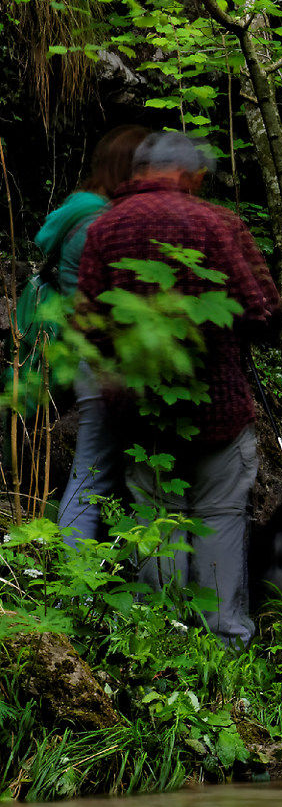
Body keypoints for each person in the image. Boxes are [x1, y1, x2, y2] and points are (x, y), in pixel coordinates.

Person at [74, 131, 282, 647]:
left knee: (157, 522)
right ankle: (226, 645)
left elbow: (89, 325)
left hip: (140, 411)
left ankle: (163, 644)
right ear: (191, 175)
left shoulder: (103, 230)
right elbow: (263, 310)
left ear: (139, 172)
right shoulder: (220, 224)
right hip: (221, 407)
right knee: (222, 520)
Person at [13, 124, 147, 539]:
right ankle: (81, 574)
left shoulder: (81, 207)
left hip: (79, 340)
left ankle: (80, 577)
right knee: (98, 473)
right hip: (98, 348)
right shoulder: (99, 221)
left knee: (95, 470)